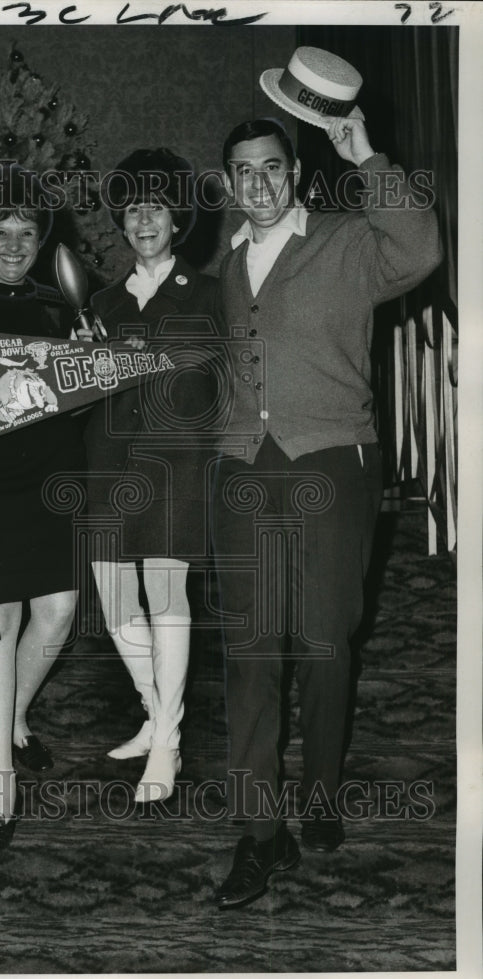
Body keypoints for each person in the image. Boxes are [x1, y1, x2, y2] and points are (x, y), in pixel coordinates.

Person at [212, 110, 442, 908]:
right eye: (242, 171)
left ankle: (318, 791)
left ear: (295, 173)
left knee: (322, 641)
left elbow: (422, 249)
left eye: (270, 167)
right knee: (248, 648)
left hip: (333, 462)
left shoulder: (347, 240)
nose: (257, 183)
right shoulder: (226, 261)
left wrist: (365, 154)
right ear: (229, 184)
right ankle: (258, 829)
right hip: (243, 470)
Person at [0, 165, 87, 855]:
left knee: (57, 613)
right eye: (0, 231)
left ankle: (15, 715)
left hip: (52, 475)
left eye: (25, 232)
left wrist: (92, 363)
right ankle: (2, 783)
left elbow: (83, 394)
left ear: (40, 240)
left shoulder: (60, 307)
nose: (12, 243)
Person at [83, 147, 223, 804]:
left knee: (166, 607)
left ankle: (164, 744)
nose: (142, 219)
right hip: (109, 470)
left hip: (177, 470)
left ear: (177, 219)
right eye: (132, 206)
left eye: (155, 206)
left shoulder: (211, 294)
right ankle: (157, 712)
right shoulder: (101, 301)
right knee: (115, 608)